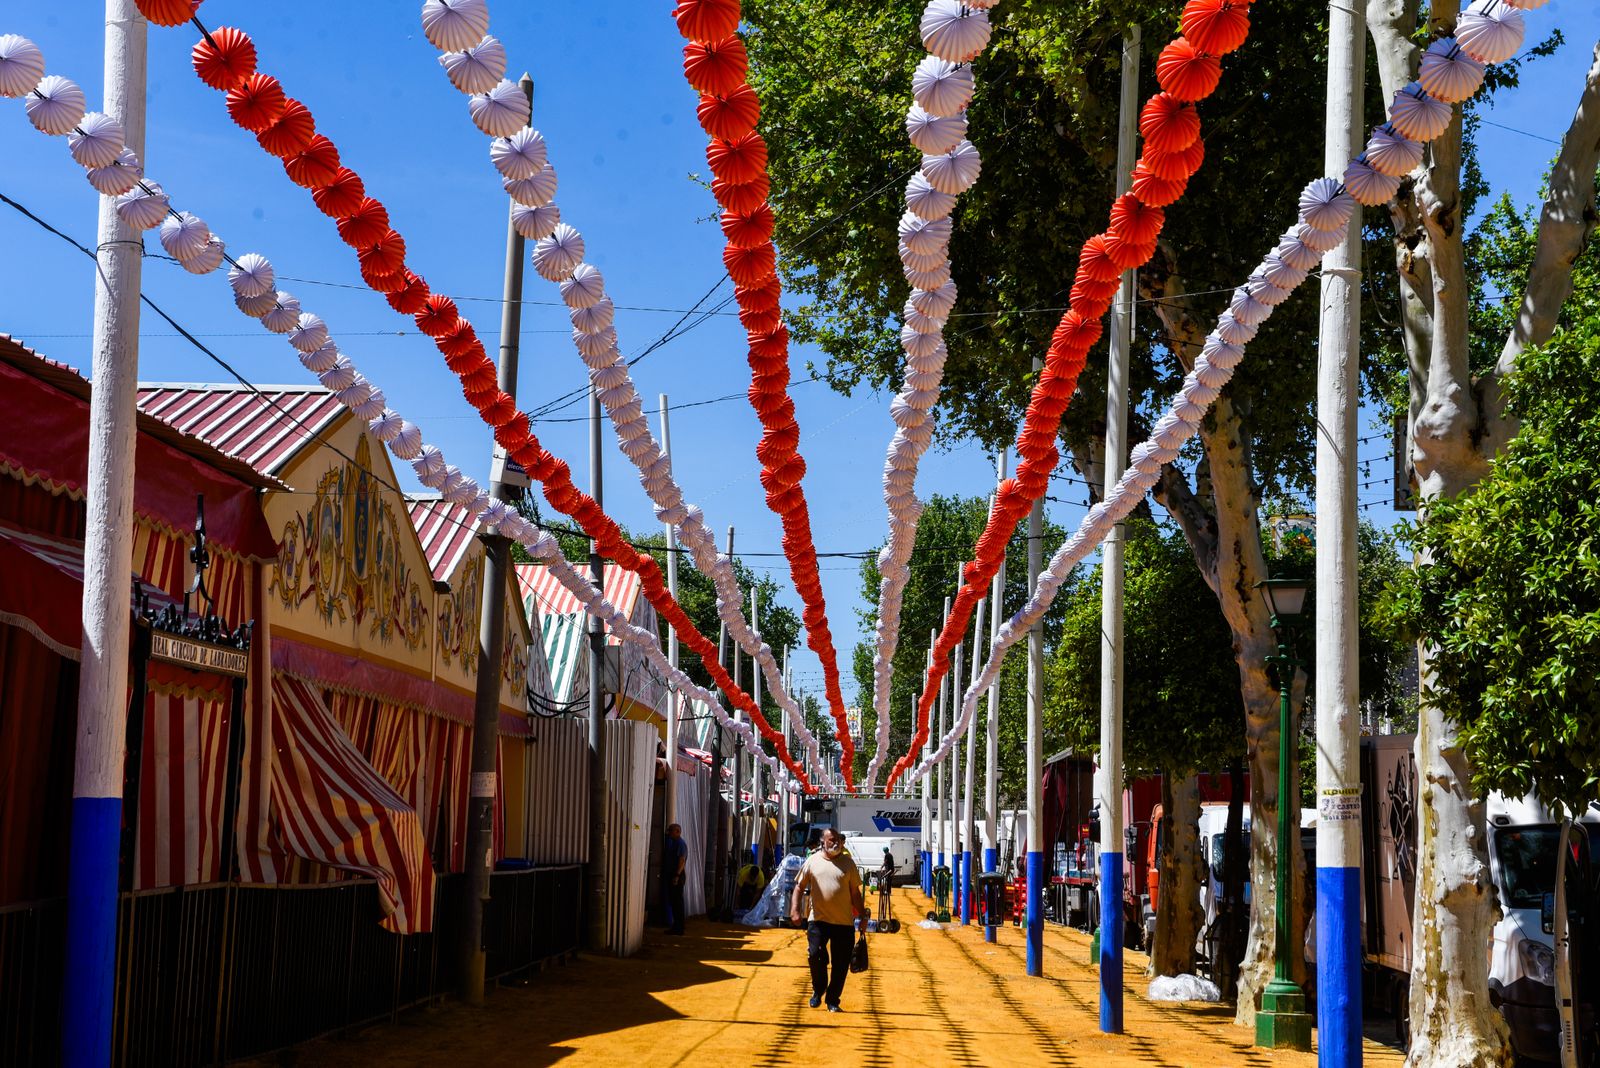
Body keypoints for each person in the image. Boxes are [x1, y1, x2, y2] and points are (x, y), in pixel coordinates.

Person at [789, 828, 865, 1013]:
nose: (836, 843)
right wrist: (795, 910)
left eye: (838, 839)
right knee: (815, 956)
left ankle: (833, 1000)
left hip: (844, 923)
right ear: (823, 842)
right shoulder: (812, 861)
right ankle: (818, 990)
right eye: (831, 840)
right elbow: (799, 887)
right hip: (818, 920)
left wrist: (862, 916)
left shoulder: (848, 864)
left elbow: (855, 893)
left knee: (841, 964)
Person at [663, 823, 687, 935]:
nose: (669, 833)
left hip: (677, 875)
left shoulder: (680, 844)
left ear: (677, 831)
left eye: (671, 830)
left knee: (677, 902)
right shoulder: (674, 843)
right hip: (674, 874)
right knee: (674, 902)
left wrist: (677, 875)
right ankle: (676, 926)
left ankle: (679, 928)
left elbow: (681, 861)